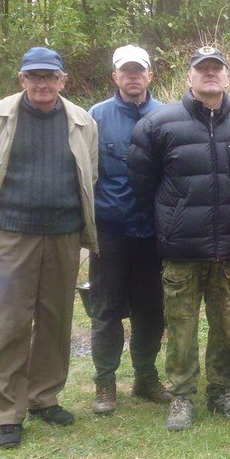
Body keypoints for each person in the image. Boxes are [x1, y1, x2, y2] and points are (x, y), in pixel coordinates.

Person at [0, 46, 98, 448]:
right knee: (9, 322)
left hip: (64, 235)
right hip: (11, 235)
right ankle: (8, 413)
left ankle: (44, 397)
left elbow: (90, 174)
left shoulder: (82, 121)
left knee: (56, 319)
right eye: (34, 76)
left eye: (50, 76)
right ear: (22, 79)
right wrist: (6, 216)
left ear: (62, 80)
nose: (42, 83)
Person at [129, 45, 230, 430]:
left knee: (226, 325)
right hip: (182, 248)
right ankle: (182, 396)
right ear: (189, 76)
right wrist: (171, 222)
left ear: (226, 78)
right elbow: (142, 184)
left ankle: (222, 391)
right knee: (182, 327)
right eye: (201, 68)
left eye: (216, 68)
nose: (209, 74)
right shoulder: (158, 125)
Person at [87, 44, 169, 415]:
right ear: (115, 76)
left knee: (151, 309)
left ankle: (145, 377)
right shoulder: (96, 117)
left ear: (150, 75)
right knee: (106, 309)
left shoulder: (166, 116)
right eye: (126, 71)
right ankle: (105, 382)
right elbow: (86, 172)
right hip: (110, 231)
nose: (133, 76)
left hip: (152, 232)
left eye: (139, 70)